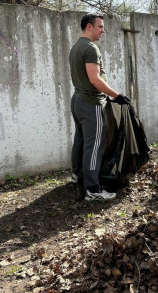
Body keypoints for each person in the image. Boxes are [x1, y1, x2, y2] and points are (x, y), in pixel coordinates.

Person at [69, 13, 130, 201]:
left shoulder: (76, 47)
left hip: (78, 100)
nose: (103, 30)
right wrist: (116, 95)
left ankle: (77, 175)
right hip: (91, 103)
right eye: (100, 26)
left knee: (81, 139)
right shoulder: (91, 49)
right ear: (89, 26)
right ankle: (93, 190)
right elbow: (95, 79)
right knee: (94, 145)